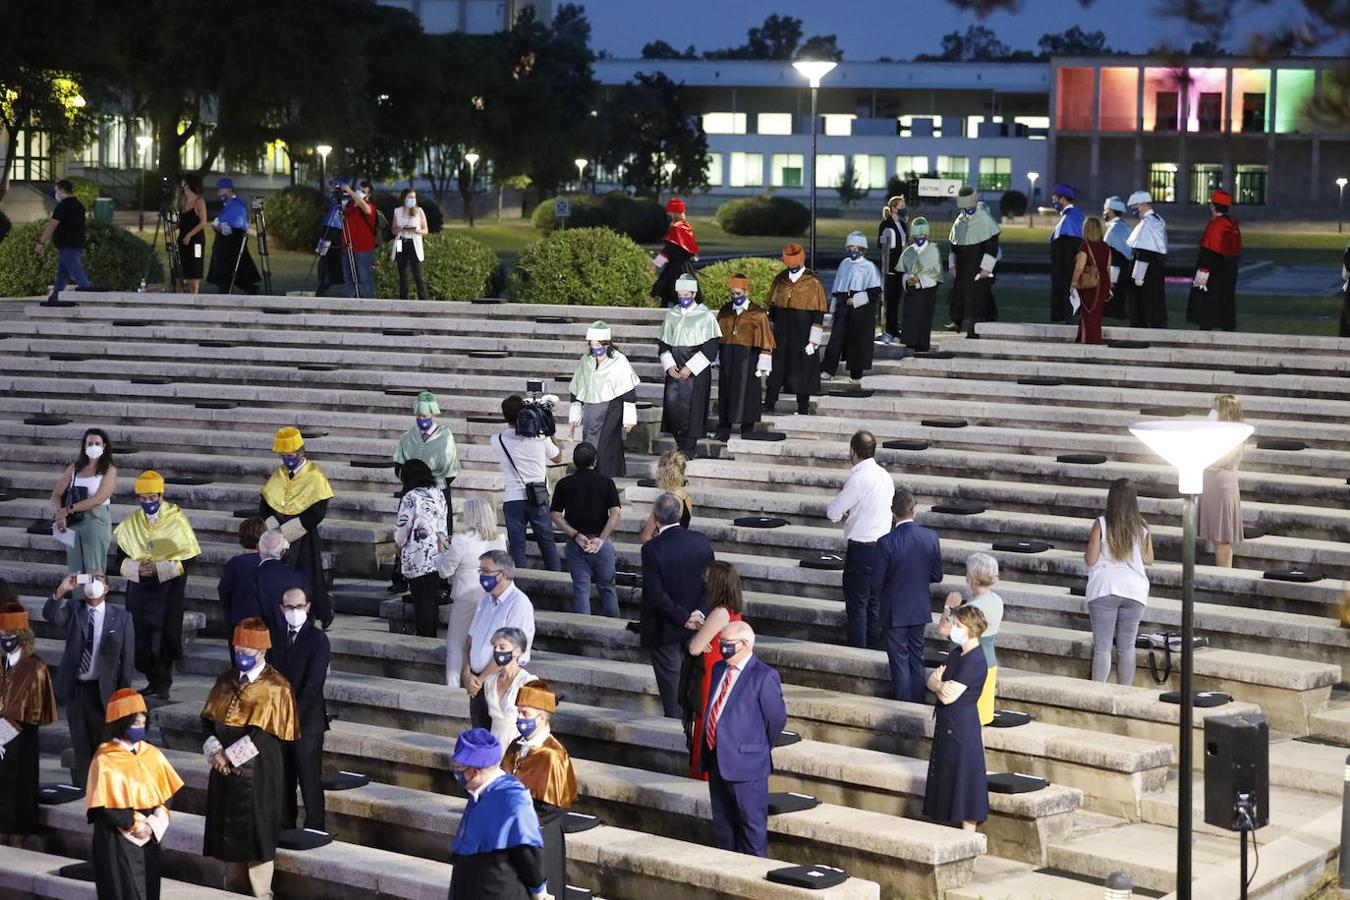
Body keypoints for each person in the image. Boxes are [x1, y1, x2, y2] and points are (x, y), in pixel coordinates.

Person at [200, 618, 299, 900]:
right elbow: (207, 720)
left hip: (259, 772)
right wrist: (215, 752)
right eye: (238, 647)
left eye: (248, 649)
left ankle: (261, 894)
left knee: (257, 835)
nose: (241, 653)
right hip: (223, 771)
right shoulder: (225, 680)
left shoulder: (276, 686)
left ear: (262, 651)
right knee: (227, 834)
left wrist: (230, 758)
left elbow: (264, 733)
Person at [85, 688, 184, 900]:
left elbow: (165, 793)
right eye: (134, 723)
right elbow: (104, 807)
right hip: (118, 841)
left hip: (149, 838)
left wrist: (155, 821)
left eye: (142, 722)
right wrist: (137, 824)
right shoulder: (105, 759)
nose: (140, 727)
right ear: (120, 723)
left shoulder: (151, 753)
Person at [700, 621, 787, 857]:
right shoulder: (719, 668)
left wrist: (755, 749)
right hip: (717, 759)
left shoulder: (765, 676)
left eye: (726, 645)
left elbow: (776, 720)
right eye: (720, 644)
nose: (721, 650)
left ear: (746, 644)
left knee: (751, 831)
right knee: (723, 829)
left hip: (748, 765)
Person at [115, 470, 201, 700]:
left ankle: (163, 683)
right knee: (141, 637)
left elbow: (189, 557)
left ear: (161, 495)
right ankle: (151, 680)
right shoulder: (131, 523)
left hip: (167, 589)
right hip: (140, 590)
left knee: (164, 636)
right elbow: (118, 560)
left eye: (153, 499)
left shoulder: (176, 519)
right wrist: (135, 568)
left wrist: (159, 568)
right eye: (144, 500)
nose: (148, 504)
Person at [43, 573, 135, 788]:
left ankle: (105, 793)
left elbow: (128, 661)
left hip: (104, 693)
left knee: (105, 747)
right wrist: (63, 589)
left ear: (107, 588)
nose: (93, 583)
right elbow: (50, 615)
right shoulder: (75, 610)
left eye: (99, 579)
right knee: (81, 747)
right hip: (77, 691)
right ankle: (85, 794)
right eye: (89, 579)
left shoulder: (122, 617)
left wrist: (122, 697)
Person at [447, 728, 550, 900]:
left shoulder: (513, 799)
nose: (457, 773)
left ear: (474, 771)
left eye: (460, 768)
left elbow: (529, 852)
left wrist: (539, 893)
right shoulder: (478, 793)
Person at [640, 493, 715, 719]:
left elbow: (655, 593)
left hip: (666, 629)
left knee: (673, 694)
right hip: (697, 624)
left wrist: (684, 617)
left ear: (655, 517)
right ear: (681, 514)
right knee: (695, 689)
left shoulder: (652, 549)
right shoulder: (701, 540)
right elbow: (712, 582)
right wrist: (699, 613)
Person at [502, 682, 578, 900]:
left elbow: (553, 806)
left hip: (539, 834)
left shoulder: (552, 754)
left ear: (543, 717)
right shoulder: (517, 745)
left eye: (525, 713)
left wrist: (521, 820)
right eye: (518, 712)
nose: (519, 718)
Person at [267, 588, 330, 833]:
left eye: (299, 606)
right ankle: (286, 826)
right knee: (284, 779)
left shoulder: (317, 639)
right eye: (290, 607)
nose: (295, 611)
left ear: (308, 607)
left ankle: (315, 828)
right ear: (282, 609)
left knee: (309, 779)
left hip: (307, 722)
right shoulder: (273, 637)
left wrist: (292, 716)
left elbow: (314, 683)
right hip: (279, 721)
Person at [871, 486, 942, 702]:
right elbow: (937, 575)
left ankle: (904, 703)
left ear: (893, 511)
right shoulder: (930, 537)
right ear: (914, 509)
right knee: (916, 658)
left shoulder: (886, 542)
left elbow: (876, 582)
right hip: (918, 607)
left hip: (895, 610)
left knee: (899, 661)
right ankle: (917, 700)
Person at [259, 427, 334, 628]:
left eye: (290, 455)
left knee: (307, 576)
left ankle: (315, 612)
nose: (287, 460)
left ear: (301, 452)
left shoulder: (315, 476)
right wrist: (274, 532)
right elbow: (265, 505)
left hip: (303, 535)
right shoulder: (279, 475)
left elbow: (317, 512)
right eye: (283, 456)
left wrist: (287, 532)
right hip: (278, 538)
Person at [923, 605, 990, 832]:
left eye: (958, 626)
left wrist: (936, 684)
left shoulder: (976, 660)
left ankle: (968, 834)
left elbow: (949, 695)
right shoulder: (956, 653)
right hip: (949, 723)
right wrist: (938, 685)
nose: (953, 629)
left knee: (966, 778)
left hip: (963, 725)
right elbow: (935, 683)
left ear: (971, 629)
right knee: (949, 774)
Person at [826, 431, 894, 650]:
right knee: (874, 602)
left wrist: (844, 514)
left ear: (853, 451)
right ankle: (873, 648)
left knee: (857, 604)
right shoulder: (885, 475)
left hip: (862, 549)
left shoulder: (859, 477)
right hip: (882, 547)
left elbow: (834, 511)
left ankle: (859, 650)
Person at [1084, 479, 1153, 684]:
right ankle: (1125, 693)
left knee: (1103, 647)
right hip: (1134, 590)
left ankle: (1098, 693)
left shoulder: (1102, 524)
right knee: (1127, 647)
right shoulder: (1142, 527)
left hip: (1105, 587)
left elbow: (1091, 559)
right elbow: (1149, 559)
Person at [0, 599, 58, 842]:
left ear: (22, 635)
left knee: (18, 791)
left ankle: (19, 839)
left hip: (20, 740)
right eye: (2, 634)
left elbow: (28, 706)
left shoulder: (35, 667)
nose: (5, 639)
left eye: (10, 634)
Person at [683, 561, 744, 780]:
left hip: (711, 673)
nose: (705, 585)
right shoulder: (732, 609)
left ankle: (704, 775)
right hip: (722, 672)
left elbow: (694, 647)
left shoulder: (720, 612)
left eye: (708, 580)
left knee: (705, 724)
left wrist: (698, 635)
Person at [462, 552, 536, 731]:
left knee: (501, 739)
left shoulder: (519, 604)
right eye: (480, 570)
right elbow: (470, 640)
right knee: (480, 739)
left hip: (500, 681)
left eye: (486, 571)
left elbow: (509, 651)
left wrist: (480, 678)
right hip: (477, 683)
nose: (481, 576)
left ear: (502, 574)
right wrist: (466, 672)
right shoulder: (485, 600)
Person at [438, 498, 507, 688]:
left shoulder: (461, 540)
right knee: (488, 643)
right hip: (492, 598)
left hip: (466, 598)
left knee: (455, 645)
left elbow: (445, 571)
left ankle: (452, 688)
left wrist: (440, 554)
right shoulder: (499, 539)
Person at [550, 442, 622, 617]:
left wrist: (575, 535)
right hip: (601, 543)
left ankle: (582, 632)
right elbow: (615, 513)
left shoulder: (564, 484)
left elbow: (555, 515)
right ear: (595, 461)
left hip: (576, 544)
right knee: (608, 589)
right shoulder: (606, 482)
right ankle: (613, 627)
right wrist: (601, 539)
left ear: (574, 461)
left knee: (581, 589)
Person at [495, 395, 563, 572]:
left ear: (504, 416)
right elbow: (558, 457)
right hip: (538, 496)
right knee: (547, 543)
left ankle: (519, 585)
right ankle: (556, 580)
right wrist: (549, 430)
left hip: (512, 498)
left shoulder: (497, 439)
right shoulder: (540, 437)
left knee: (517, 547)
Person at [657, 273, 722, 458]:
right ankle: (679, 445)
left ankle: (689, 449)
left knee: (693, 410)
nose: (683, 298)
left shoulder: (705, 316)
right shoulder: (672, 315)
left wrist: (690, 367)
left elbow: (710, 348)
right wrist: (669, 366)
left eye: (687, 294)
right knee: (674, 408)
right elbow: (663, 344)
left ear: (693, 294)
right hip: (675, 370)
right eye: (680, 295)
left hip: (696, 373)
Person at [567, 322, 640, 477]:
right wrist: (575, 412)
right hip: (591, 408)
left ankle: (604, 476)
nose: (595, 348)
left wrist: (629, 418)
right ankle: (588, 473)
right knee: (589, 438)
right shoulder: (586, 361)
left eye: (598, 345)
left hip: (612, 408)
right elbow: (577, 387)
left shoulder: (619, 361)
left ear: (607, 345)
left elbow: (628, 389)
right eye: (592, 345)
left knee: (605, 442)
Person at [937, 553, 1003, 725]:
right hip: (989, 662)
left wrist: (948, 607)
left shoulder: (972, 607)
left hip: (967, 664)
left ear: (972, 577)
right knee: (981, 719)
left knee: (967, 721)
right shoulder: (997, 600)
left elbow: (943, 630)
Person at [49, 427, 118, 586]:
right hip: (73, 521)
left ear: (104, 446)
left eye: (97, 443)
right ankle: (78, 601)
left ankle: (95, 602)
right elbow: (56, 494)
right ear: (84, 445)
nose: (93, 446)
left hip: (95, 519)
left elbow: (99, 498)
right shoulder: (74, 467)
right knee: (75, 567)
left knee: (94, 567)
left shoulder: (109, 470)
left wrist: (68, 509)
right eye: (90, 443)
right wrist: (59, 514)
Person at [764, 243, 827, 416]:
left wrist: (813, 340)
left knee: (803, 369)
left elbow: (818, 314)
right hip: (781, 334)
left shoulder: (813, 282)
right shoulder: (780, 279)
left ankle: (803, 407)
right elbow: (773, 309)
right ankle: (769, 402)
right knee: (776, 368)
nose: (791, 267)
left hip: (803, 335)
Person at [714, 273, 775, 441]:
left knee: (748, 392)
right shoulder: (725, 310)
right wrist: (717, 354)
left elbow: (766, 339)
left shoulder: (758, 313)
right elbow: (717, 333)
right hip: (728, 354)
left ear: (747, 292)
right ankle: (723, 428)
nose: (735, 297)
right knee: (725, 390)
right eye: (732, 294)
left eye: (738, 294)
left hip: (748, 356)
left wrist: (764, 360)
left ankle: (747, 427)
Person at [393, 390, 460, 541]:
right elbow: (399, 464)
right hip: (411, 489)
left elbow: (450, 468)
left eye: (424, 416)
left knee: (437, 535)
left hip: (437, 489)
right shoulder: (408, 436)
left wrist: (430, 482)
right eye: (418, 416)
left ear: (433, 415)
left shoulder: (445, 436)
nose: (421, 419)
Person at [396, 459, 450, 637]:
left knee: (421, 600)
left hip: (417, 556)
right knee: (431, 599)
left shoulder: (411, 497)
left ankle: (424, 636)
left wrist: (398, 543)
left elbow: (403, 528)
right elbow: (443, 523)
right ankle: (431, 634)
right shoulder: (438, 493)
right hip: (438, 553)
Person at [821, 231, 882, 385]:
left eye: (856, 247)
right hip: (842, 304)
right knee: (836, 338)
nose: (853, 250)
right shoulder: (844, 264)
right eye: (850, 247)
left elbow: (874, 291)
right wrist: (834, 306)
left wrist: (856, 300)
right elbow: (837, 286)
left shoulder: (869, 267)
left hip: (860, 309)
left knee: (858, 340)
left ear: (862, 249)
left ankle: (856, 374)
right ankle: (828, 369)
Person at [1199, 394, 1247, 569]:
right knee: (1215, 536)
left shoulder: (1236, 435)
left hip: (1223, 487)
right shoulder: (1215, 434)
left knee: (1222, 537)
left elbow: (1218, 461)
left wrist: (1207, 461)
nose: (1213, 412)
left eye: (1217, 408)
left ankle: (1224, 572)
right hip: (1211, 485)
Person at [946, 185, 1000, 334]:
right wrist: (952, 265)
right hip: (962, 267)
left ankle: (975, 329)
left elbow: (992, 247)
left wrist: (986, 268)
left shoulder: (985, 220)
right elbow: (953, 245)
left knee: (978, 299)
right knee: (959, 295)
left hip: (978, 266)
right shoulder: (959, 220)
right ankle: (956, 320)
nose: (967, 209)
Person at [1187, 189, 1243, 332]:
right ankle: (1227, 328)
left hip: (1213, 271)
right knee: (1226, 301)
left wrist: (1202, 273)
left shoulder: (1217, 225)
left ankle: (1205, 327)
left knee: (1207, 301)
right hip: (1229, 270)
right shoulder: (1232, 223)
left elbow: (1209, 249)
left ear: (1213, 206)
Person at [481, 628, 538, 752]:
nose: (497, 651)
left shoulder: (528, 681)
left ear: (516, 651)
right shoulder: (489, 681)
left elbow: (534, 721)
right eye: (495, 647)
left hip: (517, 745)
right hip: (493, 743)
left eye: (502, 647)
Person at [35, 179, 90, 306]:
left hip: (67, 246)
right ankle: (55, 298)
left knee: (78, 273)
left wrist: (41, 242)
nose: (56, 194)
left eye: (56, 191)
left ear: (61, 190)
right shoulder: (79, 206)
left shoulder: (62, 206)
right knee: (62, 274)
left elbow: (52, 225)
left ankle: (91, 298)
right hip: (75, 245)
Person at [207, 178, 261, 294]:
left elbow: (235, 224)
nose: (218, 192)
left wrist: (221, 226)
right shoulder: (230, 204)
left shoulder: (236, 205)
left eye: (220, 189)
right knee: (231, 275)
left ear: (228, 189)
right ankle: (244, 290)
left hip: (231, 245)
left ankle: (247, 290)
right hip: (225, 245)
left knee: (231, 274)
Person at [897, 217, 943, 352]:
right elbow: (903, 271)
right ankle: (909, 344)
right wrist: (907, 279)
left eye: (922, 234)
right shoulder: (908, 252)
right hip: (911, 292)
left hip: (927, 292)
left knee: (923, 318)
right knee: (910, 317)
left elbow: (936, 274)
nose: (920, 237)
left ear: (926, 234)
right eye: (917, 234)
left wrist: (920, 280)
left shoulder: (933, 250)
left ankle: (921, 346)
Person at [1125, 190, 1168, 328]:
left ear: (1143, 205)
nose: (1133, 210)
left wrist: (1137, 277)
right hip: (1154, 269)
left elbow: (1143, 252)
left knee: (1144, 303)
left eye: (1134, 207)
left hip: (1145, 273)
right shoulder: (1157, 220)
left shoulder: (1148, 223)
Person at [218, 518, 267, 633]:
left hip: (239, 619)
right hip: (264, 621)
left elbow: (224, 590)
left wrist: (229, 610)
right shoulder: (270, 562)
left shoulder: (235, 563)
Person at [651, 197, 700, 308]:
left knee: (669, 293)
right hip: (686, 268)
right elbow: (690, 251)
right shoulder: (686, 227)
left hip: (675, 269)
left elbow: (669, 250)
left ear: (674, 212)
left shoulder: (676, 228)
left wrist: (655, 263)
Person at [1048, 183, 1086, 324]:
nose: (1052, 199)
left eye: (1054, 196)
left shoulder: (1069, 218)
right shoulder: (1073, 215)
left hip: (1067, 270)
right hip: (1067, 268)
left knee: (1069, 300)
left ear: (1062, 199)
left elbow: (1070, 247)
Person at [1072, 216, 1112, 346]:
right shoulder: (1106, 247)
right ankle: (1087, 339)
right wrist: (1109, 286)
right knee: (1095, 314)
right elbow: (1107, 268)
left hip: (1090, 285)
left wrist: (1074, 283)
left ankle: (1090, 342)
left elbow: (1080, 266)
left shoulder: (1085, 246)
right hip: (1103, 283)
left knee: (1088, 314)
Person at [639, 450, 693, 541]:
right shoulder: (686, 497)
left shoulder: (666, 501)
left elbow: (646, 536)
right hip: (680, 544)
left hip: (665, 548)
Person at [339, 178, 378, 299]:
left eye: (363, 192)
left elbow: (364, 207)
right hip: (347, 247)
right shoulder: (350, 206)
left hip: (363, 249)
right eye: (358, 191)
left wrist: (350, 192)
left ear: (369, 195)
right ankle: (351, 302)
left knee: (364, 277)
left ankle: (368, 304)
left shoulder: (370, 206)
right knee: (348, 278)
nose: (359, 194)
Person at [877, 195, 908, 344]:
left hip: (901, 266)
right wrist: (898, 248)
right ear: (894, 208)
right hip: (890, 266)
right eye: (901, 207)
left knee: (896, 299)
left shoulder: (903, 224)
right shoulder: (885, 224)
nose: (904, 209)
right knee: (889, 300)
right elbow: (881, 244)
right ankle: (888, 328)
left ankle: (894, 328)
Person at [392, 187, 429, 300]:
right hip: (401, 242)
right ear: (404, 198)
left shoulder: (419, 211)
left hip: (413, 242)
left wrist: (416, 231)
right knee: (402, 273)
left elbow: (425, 230)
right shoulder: (397, 211)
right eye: (410, 197)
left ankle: (423, 299)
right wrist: (398, 229)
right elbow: (393, 230)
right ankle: (403, 298)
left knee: (417, 274)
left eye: (414, 197)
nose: (412, 200)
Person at [1101, 196, 1134, 320]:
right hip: (1125, 269)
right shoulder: (1124, 227)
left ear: (1110, 211)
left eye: (1105, 209)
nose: (1104, 212)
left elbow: (1109, 254)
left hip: (1116, 271)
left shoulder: (1113, 230)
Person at [178, 173, 209, 293]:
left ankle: (194, 293)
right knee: (181, 266)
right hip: (183, 239)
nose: (182, 185)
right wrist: (172, 229)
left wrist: (190, 234)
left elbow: (203, 222)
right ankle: (181, 292)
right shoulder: (183, 201)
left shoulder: (199, 201)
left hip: (196, 241)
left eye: (184, 182)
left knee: (195, 266)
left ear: (189, 185)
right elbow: (183, 222)